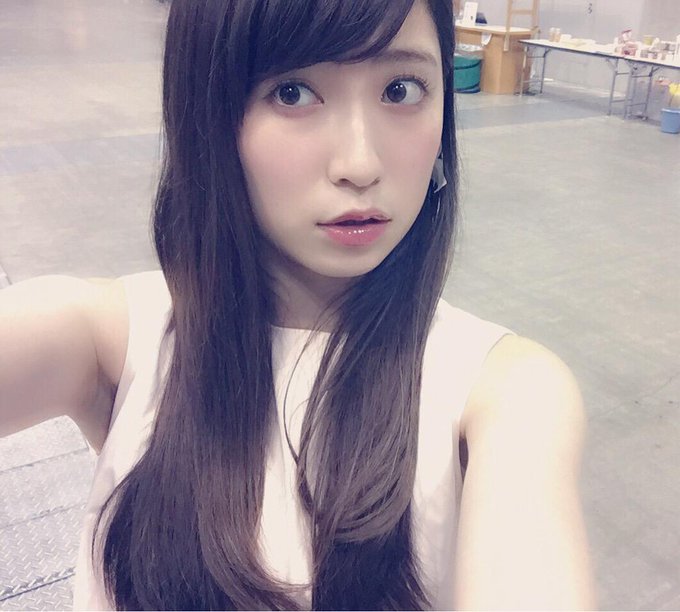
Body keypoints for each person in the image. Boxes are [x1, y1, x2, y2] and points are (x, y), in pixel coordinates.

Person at [0, 0, 596, 609]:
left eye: (401, 89)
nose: (360, 164)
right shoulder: (115, 343)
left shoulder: (503, 394)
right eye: (292, 93)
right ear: (208, 113)